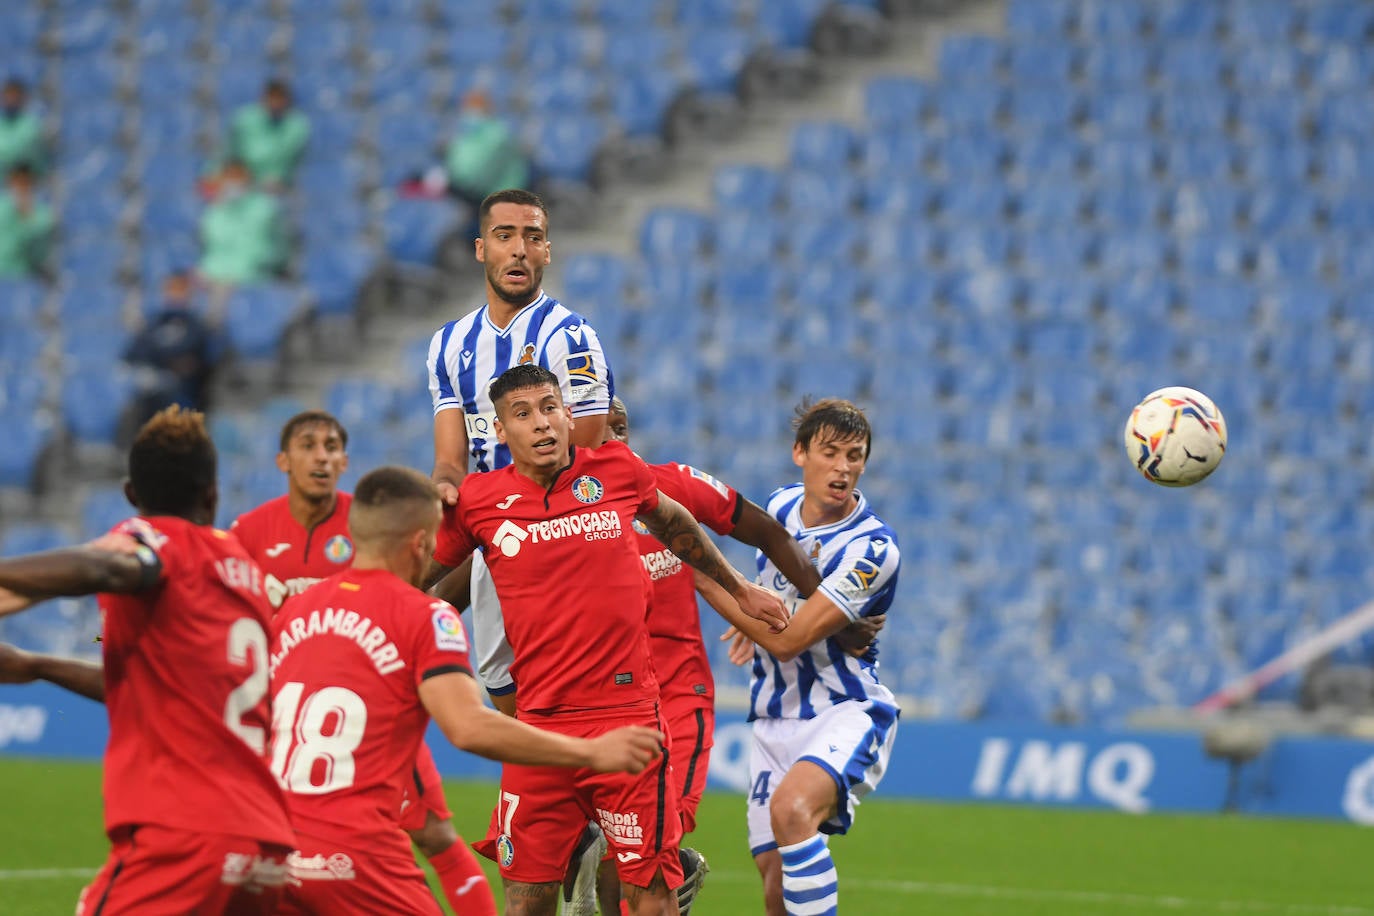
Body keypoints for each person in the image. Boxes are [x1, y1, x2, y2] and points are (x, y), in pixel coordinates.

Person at [431, 364, 789, 916]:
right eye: (523, 414)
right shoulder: (478, 502)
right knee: (525, 904)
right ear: (500, 431)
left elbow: (673, 522)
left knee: (653, 899)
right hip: (537, 730)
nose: (542, 423)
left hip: (629, 721)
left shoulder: (617, 470)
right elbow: (424, 579)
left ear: (568, 414)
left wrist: (741, 590)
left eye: (550, 407)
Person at [270, 465, 663, 916]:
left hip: (270, 851)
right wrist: (591, 752)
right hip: (354, 860)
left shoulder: (293, 611)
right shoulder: (425, 616)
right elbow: (468, 727)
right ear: (421, 544)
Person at [0, 405, 294, 913]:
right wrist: (38, 666)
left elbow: (108, 568)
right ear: (212, 493)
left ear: (132, 497)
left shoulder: (155, 542)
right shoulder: (240, 569)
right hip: (263, 847)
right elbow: (162, 684)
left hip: (182, 835)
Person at [231, 409, 497, 916]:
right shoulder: (251, 531)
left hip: (376, 711)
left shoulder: (373, 519)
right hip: (294, 711)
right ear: (283, 460)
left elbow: (411, 602)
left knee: (434, 833)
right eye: (309, 446)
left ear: (345, 461)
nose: (321, 457)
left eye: (331, 446)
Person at [698, 399, 901, 916]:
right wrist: (755, 612)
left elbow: (789, 641)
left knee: (793, 811)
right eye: (829, 453)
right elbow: (774, 597)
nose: (843, 468)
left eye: (854, 456)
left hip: (844, 709)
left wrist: (696, 568)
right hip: (773, 718)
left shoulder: (873, 549)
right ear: (799, 453)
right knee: (776, 889)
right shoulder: (781, 506)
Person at [426, 187, 616, 712]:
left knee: (567, 689)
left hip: (564, 530)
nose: (518, 249)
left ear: (547, 251)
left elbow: (587, 446)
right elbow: (451, 458)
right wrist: (444, 487)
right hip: (497, 530)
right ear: (480, 248)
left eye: (533, 237)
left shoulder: (569, 335)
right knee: (504, 689)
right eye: (504, 235)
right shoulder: (449, 344)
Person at [123, 270, 220, 426]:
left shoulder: (198, 326)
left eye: (180, 289)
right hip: (152, 394)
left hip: (187, 395)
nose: (175, 295)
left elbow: (198, 360)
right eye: (171, 289)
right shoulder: (154, 323)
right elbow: (133, 356)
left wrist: (174, 365)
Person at [444, 91, 528, 240]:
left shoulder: (498, 135)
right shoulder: (468, 133)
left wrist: (454, 184)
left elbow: (481, 172)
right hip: (475, 192)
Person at [198, 158, 287, 286]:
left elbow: (271, 251)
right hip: (226, 277)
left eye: (237, 178)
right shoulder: (214, 216)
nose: (232, 184)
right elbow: (212, 253)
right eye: (228, 178)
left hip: (260, 276)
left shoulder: (264, 206)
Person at [228, 78, 310, 188]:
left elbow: (291, 162)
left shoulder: (298, 126)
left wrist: (279, 179)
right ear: (263, 98)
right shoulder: (243, 120)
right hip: (246, 184)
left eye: (279, 98)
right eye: (272, 97)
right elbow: (232, 155)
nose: (275, 103)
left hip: (281, 187)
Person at [0, 162, 53, 278]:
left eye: (25, 183)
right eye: (17, 183)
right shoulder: (2, 208)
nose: (21, 188)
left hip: (28, 274)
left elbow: (41, 244)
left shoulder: (44, 215)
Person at [0, 77, 45, 174]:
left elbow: (25, 154)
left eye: (14, 96)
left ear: (23, 98)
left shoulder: (32, 126)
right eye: (8, 96)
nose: (10, 100)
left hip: (23, 177)